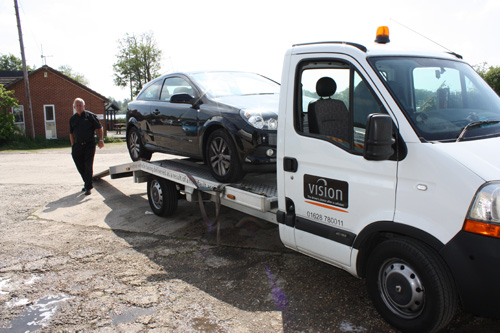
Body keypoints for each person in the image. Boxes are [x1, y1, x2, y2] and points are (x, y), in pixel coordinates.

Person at [69, 98, 104, 195]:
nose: (79, 107)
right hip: (77, 146)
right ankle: (87, 183)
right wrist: (73, 145)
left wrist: (101, 140)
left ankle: (88, 187)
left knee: (88, 165)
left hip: (89, 145)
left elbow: (100, 127)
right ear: (74, 107)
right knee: (80, 165)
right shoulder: (72, 119)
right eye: (77, 105)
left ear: (84, 106)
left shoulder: (90, 116)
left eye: (81, 105)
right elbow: (71, 133)